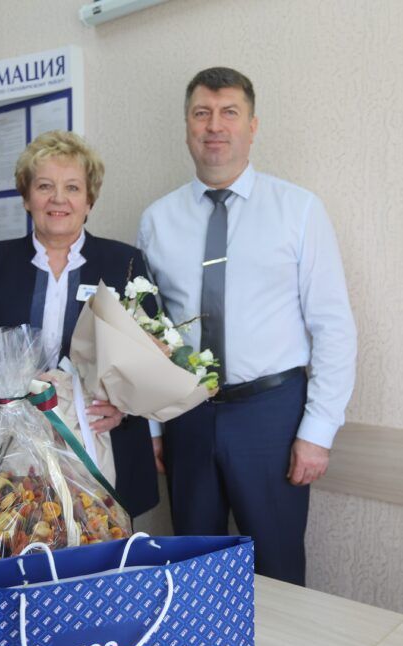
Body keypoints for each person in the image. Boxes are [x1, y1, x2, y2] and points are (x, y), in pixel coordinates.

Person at [138, 67, 357, 585]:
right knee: (193, 572)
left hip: (271, 415)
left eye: (229, 113)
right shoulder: (156, 220)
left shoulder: (298, 210)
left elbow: (332, 325)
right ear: (187, 126)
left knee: (278, 570)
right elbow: (146, 332)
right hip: (186, 414)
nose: (215, 126)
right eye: (202, 113)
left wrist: (318, 432)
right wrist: (153, 427)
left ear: (252, 126)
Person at [0, 130, 159, 518]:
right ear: (26, 197)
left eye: (72, 187)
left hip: (100, 442)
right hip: (12, 448)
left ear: (89, 200)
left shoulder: (124, 263)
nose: (58, 199)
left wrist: (124, 408)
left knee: (103, 547)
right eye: (44, 186)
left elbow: (153, 355)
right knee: (20, 542)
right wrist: (5, 396)